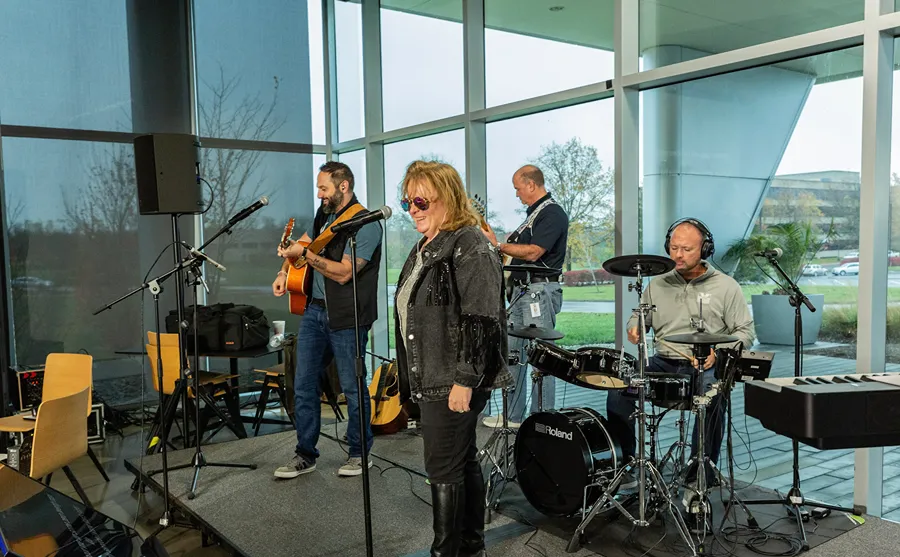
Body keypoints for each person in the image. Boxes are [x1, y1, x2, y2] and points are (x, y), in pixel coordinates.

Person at [394, 160, 512, 557]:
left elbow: (482, 318)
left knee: (442, 468)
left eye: (421, 200)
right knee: (463, 463)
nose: (412, 208)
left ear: (447, 198)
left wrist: (465, 378)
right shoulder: (426, 246)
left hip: (454, 378)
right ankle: (471, 547)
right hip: (434, 374)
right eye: (407, 200)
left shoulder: (469, 243)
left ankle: (446, 552)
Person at [605, 217, 755, 487]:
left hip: (705, 366)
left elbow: (745, 333)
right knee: (619, 387)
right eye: (674, 248)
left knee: (712, 396)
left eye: (686, 249)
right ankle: (626, 461)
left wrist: (718, 352)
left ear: (705, 249)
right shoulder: (657, 284)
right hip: (663, 363)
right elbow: (639, 318)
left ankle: (700, 470)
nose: (678, 255)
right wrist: (634, 327)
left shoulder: (726, 286)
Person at [271, 161, 382, 478]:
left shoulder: (366, 224)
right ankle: (305, 454)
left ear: (343, 186)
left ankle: (360, 454)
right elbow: (300, 247)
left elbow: (345, 273)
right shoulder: (324, 217)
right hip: (313, 311)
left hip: (348, 316)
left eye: (324, 188)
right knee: (303, 385)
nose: (319, 193)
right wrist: (283, 272)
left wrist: (306, 257)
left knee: (353, 387)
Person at [481, 165, 568, 428]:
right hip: (522, 294)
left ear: (531, 185)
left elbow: (533, 252)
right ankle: (514, 416)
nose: (517, 194)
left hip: (538, 294)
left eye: (518, 188)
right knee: (514, 357)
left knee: (541, 358)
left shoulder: (552, 213)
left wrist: (497, 245)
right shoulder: (533, 215)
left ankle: (541, 419)